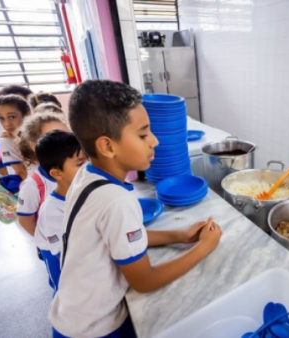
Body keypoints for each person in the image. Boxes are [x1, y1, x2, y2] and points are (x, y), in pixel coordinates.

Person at [49, 80, 222, 338]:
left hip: (71, 314)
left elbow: (116, 238)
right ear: (107, 146)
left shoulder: (87, 175)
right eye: (143, 135)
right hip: (94, 328)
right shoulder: (116, 200)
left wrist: (178, 235)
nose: (155, 141)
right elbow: (144, 281)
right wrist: (204, 247)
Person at [34, 130, 87, 296]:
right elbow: (62, 252)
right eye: (80, 164)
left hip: (79, 248)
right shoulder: (52, 210)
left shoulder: (82, 190)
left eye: (88, 160)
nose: (89, 167)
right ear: (57, 173)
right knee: (64, 293)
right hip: (56, 255)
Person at [16, 112, 69, 236]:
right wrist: (45, 244)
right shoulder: (33, 186)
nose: (64, 143)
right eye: (53, 138)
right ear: (35, 147)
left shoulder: (81, 171)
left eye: (66, 136)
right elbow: (25, 220)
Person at [0, 95, 31, 180]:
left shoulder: (35, 134)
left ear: (27, 114)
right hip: (34, 188)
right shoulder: (6, 141)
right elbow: (22, 172)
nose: (7, 124)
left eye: (12, 117)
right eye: (1, 118)